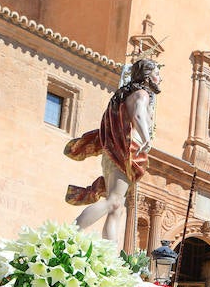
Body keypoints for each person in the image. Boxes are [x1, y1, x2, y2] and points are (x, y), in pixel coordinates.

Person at [65, 57, 161, 243]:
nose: (160, 78)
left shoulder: (124, 96)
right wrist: (146, 136)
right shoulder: (142, 94)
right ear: (148, 76)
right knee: (113, 202)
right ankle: (70, 234)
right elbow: (139, 114)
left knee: (117, 207)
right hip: (127, 152)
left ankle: (108, 254)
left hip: (113, 153)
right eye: (157, 74)